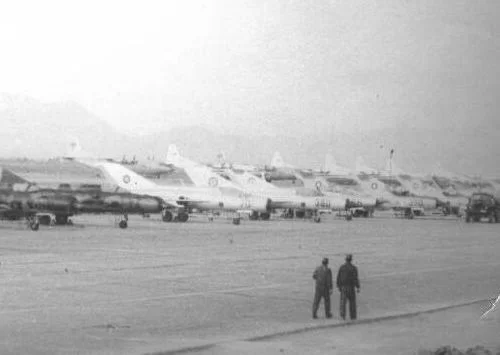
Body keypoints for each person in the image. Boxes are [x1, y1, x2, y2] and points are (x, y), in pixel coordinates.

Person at [336, 254, 360, 320]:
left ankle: (342, 316)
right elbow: (355, 278)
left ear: (346, 259)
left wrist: (338, 286)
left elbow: (338, 277)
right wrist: (358, 287)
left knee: (343, 302)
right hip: (351, 287)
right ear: (351, 260)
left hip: (344, 287)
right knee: (352, 303)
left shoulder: (342, 267)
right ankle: (353, 316)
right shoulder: (354, 268)